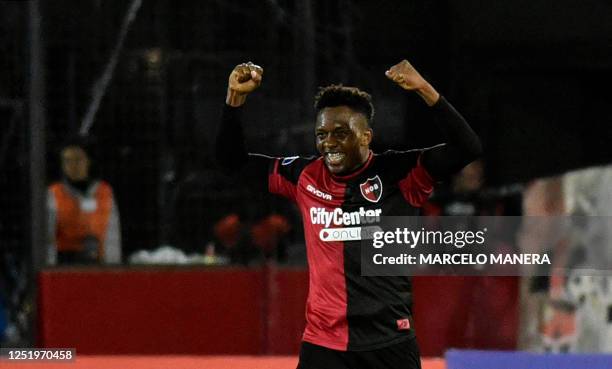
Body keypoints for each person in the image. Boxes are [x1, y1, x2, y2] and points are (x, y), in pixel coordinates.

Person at [216, 60, 481, 369]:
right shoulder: (304, 175)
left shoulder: (400, 174)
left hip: (390, 344)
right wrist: (235, 99)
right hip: (324, 346)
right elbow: (231, 163)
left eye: (340, 133)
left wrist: (425, 90)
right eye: (322, 134)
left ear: (366, 136)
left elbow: (468, 147)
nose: (329, 144)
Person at [47, 139, 121, 265]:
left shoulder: (105, 191)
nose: (73, 166)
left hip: (99, 265)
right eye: (67, 161)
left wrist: (113, 270)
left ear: (88, 161)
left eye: (78, 159)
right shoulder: (54, 193)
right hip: (65, 266)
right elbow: (48, 239)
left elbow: (112, 236)